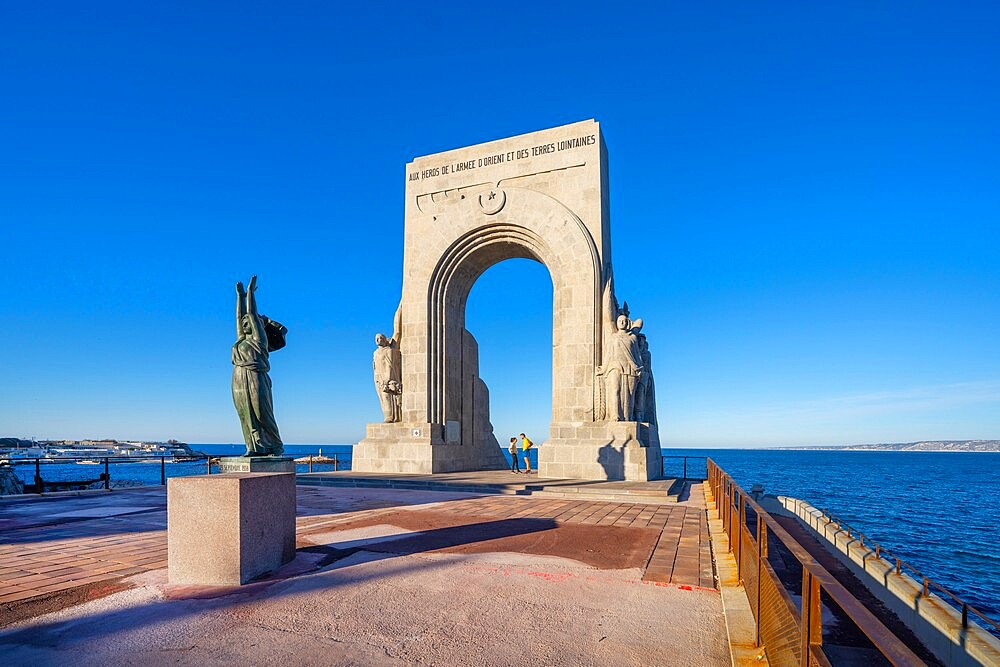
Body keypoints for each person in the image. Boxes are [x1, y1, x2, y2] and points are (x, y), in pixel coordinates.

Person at [232, 275, 284, 457]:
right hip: (238, 377)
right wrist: (239, 297)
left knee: (262, 413)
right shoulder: (240, 340)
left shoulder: (258, 340)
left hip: (256, 377)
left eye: (249, 322)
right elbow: (239, 318)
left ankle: (275, 445)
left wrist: (249, 294)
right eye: (243, 322)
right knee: (245, 414)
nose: (245, 322)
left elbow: (251, 314)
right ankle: (253, 447)